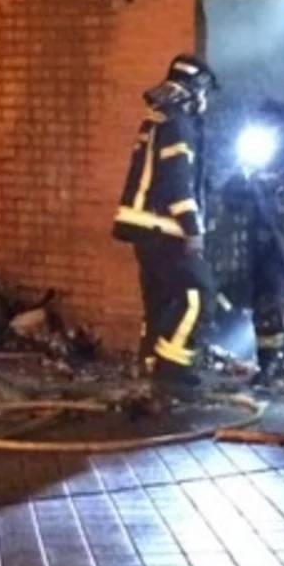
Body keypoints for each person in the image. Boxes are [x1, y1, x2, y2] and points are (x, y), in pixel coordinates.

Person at [113, 53, 218, 408]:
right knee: (197, 293)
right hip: (165, 226)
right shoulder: (178, 124)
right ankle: (172, 371)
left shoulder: (157, 118)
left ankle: (151, 364)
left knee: (159, 299)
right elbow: (177, 182)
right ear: (196, 88)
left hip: (144, 227)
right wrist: (193, 227)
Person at [233, 99, 284, 387]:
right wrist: (244, 178)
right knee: (265, 304)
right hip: (263, 243)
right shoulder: (257, 158)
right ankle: (269, 363)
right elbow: (232, 201)